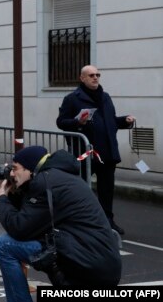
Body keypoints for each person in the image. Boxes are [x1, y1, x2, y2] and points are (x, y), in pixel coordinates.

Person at [0, 146, 121, 301]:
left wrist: (1, 198)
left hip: (87, 264)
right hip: (99, 262)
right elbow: (32, 215)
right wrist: (13, 192)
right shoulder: (58, 177)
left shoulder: (45, 183)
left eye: (15, 169)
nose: (12, 174)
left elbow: (19, 228)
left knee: (4, 245)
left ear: (30, 169)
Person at [56, 65, 135, 235]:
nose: (95, 78)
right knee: (83, 189)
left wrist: (125, 121)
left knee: (106, 190)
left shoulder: (105, 97)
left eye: (98, 75)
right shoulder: (72, 98)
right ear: (82, 78)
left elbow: (110, 121)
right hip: (85, 152)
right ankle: (81, 221)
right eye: (91, 75)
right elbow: (61, 122)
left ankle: (108, 221)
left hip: (107, 152)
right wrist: (78, 122)